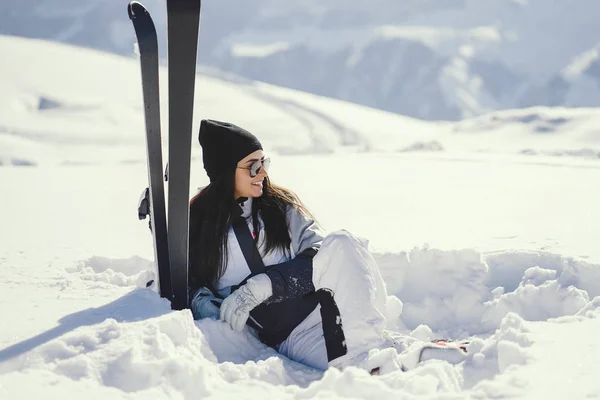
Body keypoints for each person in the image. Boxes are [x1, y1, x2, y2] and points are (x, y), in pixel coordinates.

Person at [188, 119, 466, 374]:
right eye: (252, 165)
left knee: (342, 242)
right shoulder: (199, 225)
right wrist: (204, 303)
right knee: (367, 363)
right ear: (226, 171)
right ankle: (394, 354)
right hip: (294, 335)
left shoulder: (278, 206)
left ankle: (384, 354)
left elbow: (320, 253)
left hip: (335, 304)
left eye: (264, 162)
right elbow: (183, 280)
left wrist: (265, 285)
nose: (262, 172)